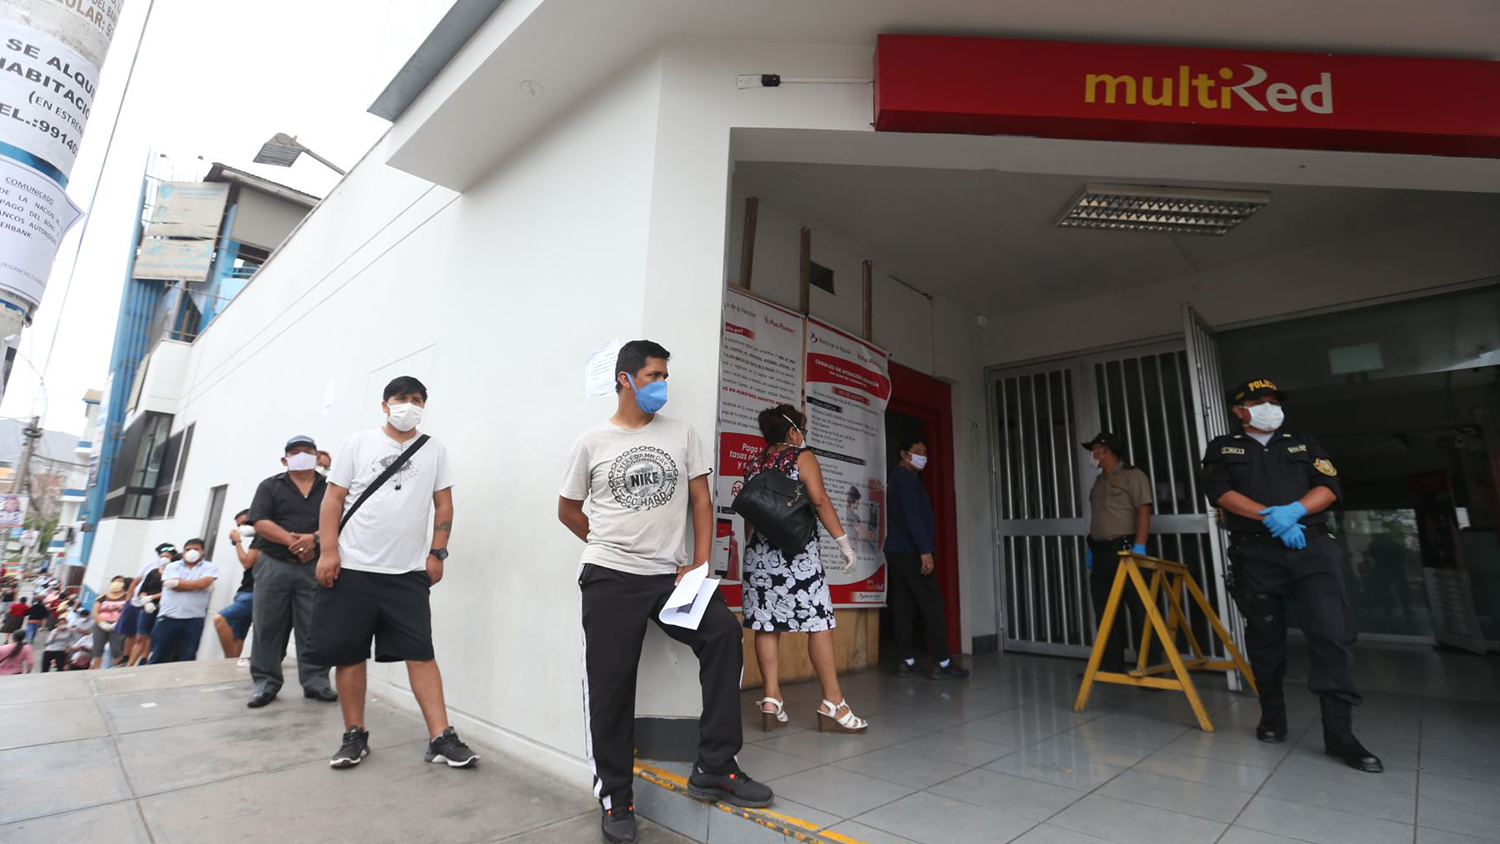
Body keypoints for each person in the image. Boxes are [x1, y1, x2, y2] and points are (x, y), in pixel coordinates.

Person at [559, 340, 771, 844]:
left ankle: (715, 766)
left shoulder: (681, 434)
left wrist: (699, 561)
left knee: (723, 635)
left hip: (669, 577)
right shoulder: (591, 442)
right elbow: (567, 509)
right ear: (625, 379)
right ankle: (616, 795)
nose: (662, 384)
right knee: (611, 683)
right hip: (610, 576)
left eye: (664, 376)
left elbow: (702, 499)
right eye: (654, 375)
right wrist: (607, 543)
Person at [1201, 378, 1381, 774]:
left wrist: (1295, 512)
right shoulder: (1223, 446)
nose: (1268, 407)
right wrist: (1270, 517)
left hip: (1311, 549)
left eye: (1273, 400)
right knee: (1265, 638)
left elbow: (1328, 485)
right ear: (1239, 410)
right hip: (1256, 552)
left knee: (1331, 635)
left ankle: (1340, 734)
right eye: (1258, 401)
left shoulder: (1303, 443)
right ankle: (1272, 716)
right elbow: (1219, 492)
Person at [310, 376, 478, 772]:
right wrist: (329, 551)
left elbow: (444, 504)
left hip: (407, 572)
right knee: (349, 654)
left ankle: (441, 737)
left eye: (417, 399)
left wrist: (438, 552)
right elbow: (333, 499)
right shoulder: (358, 443)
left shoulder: (434, 449)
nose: (409, 405)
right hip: (353, 566)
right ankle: (354, 735)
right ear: (385, 405)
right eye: (401, 398)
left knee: (421, 653)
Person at [741, 404, 867, 735]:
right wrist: (844, 544)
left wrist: (754, 552)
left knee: (766, 625)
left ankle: (771, 699)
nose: (803, 435)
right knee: (819, 623)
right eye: (802, 429)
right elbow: (820, 501)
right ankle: (834, 703)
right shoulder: (801, 458)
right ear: (792, 431)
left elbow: (751, 514)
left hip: (759, 556)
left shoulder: (754, 464)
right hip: (798, 556)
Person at [246, 436, 337, 707]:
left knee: (314, 626)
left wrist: (314, 539)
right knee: (266, 625)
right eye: (295, 452)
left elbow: (340, 519)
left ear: (317, 457)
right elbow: (260, 521)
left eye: (307, 451)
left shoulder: (330, 487)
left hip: (315, 566)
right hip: (274, 564)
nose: (302, 455)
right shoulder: (270, 486)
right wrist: (294, 542)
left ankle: (316, 682)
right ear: (285, 459)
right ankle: (265, 683)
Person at [884, 437, 968, 679]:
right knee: (933, 604)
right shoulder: (908, 479)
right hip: (912, 551)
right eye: (917, 451)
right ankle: (942, 662)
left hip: (896, 550)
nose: (922, 456)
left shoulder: (896, 478)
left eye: (925, 452)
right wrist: (924, 550)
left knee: (903, 605)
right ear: (904, 454)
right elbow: (914, 517)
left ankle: (906, 661)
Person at [1081, 432, 1154, 674]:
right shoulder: (1099, 482)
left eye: (1094, 449)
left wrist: (1139, 547)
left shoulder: (1133, 475)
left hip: (1127, 551)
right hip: (1101, 553)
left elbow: (1143, 510)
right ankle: (1111, 665)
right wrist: (1092, 549)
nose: (1092, 455)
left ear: (1105, 449)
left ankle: (1150, 667)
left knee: (1140, 611)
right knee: (1105, 612)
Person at [148, 539, 217, 664]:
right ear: (183, 552)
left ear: (203, 551)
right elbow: (175, 587)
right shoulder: (172, 566)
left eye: (196, 549)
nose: (191, 552)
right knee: (158, 655)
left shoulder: (209, 567)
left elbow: (203, 583)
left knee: (188, 657)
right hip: (168, 617)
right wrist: (198, 585)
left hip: (194, 619)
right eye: (188, 549)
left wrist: (178, 583)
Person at [215, 510, 259, 661]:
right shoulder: (257, 541)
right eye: (239, 525)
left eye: (245, 522)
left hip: (252, 593)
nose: (242, 527)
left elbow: (247, 562)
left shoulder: (263, 540)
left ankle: (229, 662)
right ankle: (231, 664)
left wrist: (237, 542)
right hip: (244, 591)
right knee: (238, 635)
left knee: (221, 619)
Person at [120, 544, 173, 666]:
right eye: (162, 556)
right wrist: (145, 599)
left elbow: (168, 591)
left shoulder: (173, 573)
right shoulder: (152, 571)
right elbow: (142, 588)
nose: (164, 558)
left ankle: (144, 660)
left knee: (152, 636)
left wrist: (152, 598)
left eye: (167, 556)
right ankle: (129, 664)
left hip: (162, 608)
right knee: (140, 636)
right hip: (146, 607)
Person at [92, 578, 130, 669]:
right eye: (115, 581)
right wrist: (101, 624)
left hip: (118, 625)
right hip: (101, 625)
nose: (117, 583)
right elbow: (95, 612)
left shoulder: (127, 596)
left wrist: (118, 623)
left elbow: (128, 611)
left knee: (117, 649)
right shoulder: (103, 597)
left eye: (120, 582)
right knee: (97, 648)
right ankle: (96, 668)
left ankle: (117, 668)